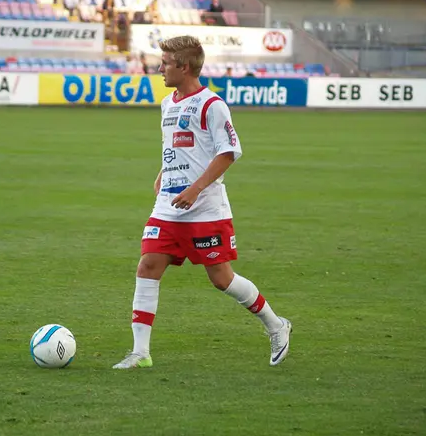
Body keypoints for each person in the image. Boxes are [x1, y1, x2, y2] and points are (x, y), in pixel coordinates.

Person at [112, 36, 292, 370]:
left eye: (166, 63)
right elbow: (179, 148)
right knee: (148, 265)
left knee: (221, 278)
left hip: (205, 208)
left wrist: (195, 189)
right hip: (168, 205)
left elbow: (228, 153)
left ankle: (276, 326)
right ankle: (140, 352)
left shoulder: (212, 105)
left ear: (184, 66)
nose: (160, 68)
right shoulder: (168, 103)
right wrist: (163, 172)